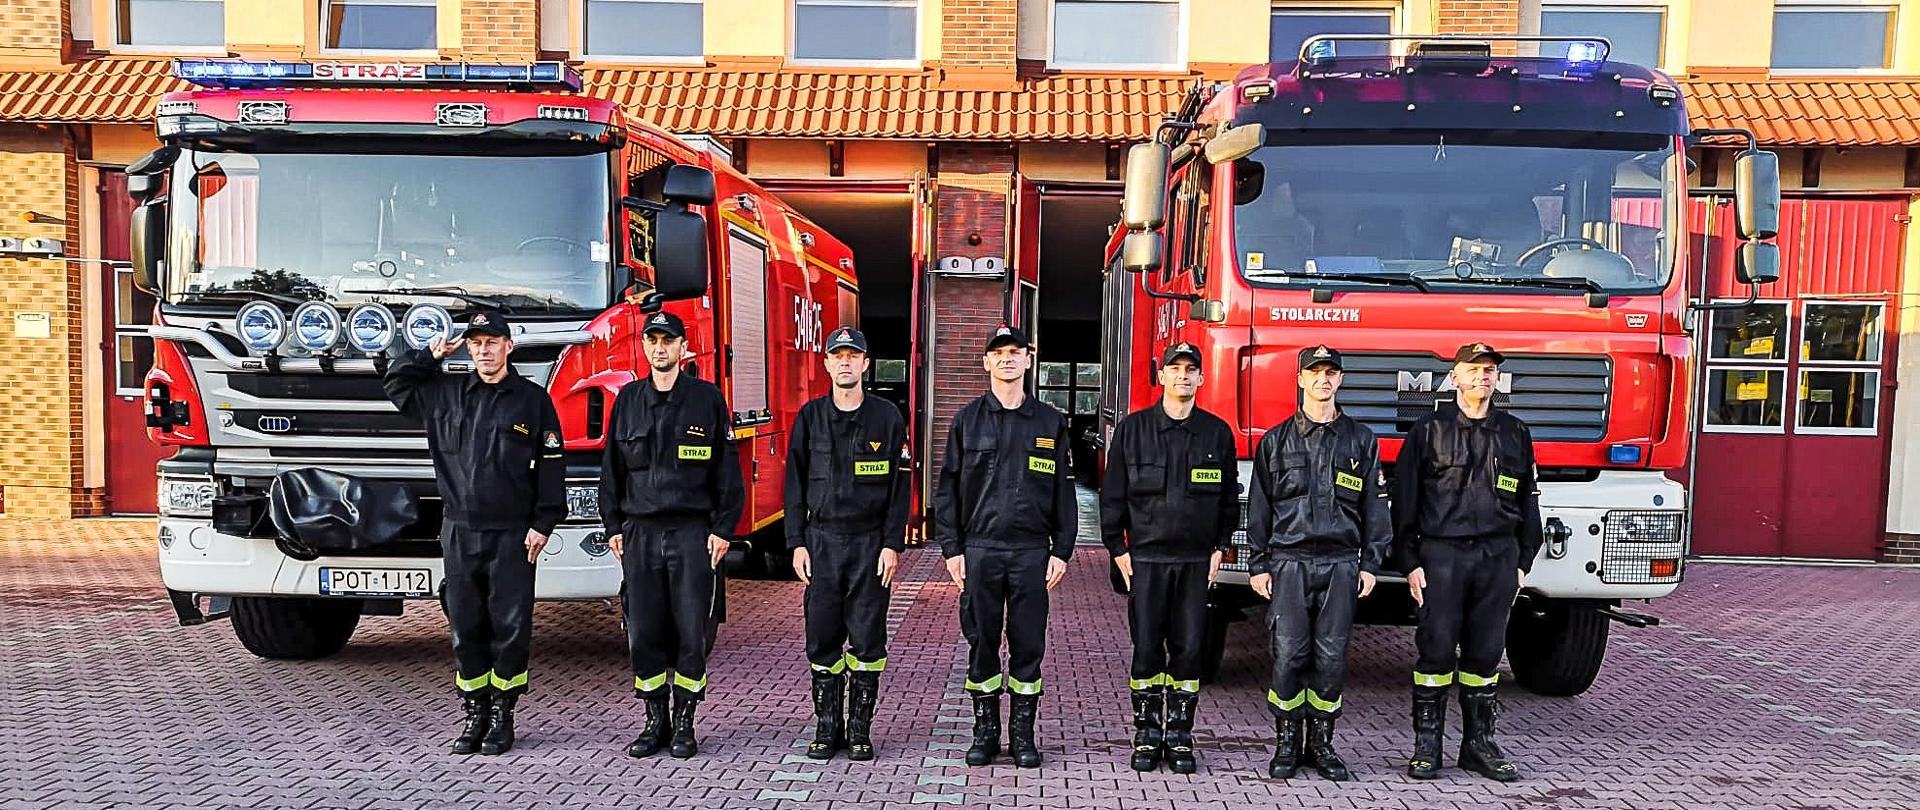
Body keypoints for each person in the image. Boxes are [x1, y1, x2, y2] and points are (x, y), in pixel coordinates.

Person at [383, 310, 565, 756]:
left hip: (512, 535)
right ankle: (474, 713)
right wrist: (429, 354)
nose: (484, 350)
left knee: (510, 626)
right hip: (460, 532)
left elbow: (552, 466)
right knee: (466, 627)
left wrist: (543, 523)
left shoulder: (532, 401)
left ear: (509, 346)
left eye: (492, 341)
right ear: (466, 347)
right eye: (476, 342)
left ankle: (504, 714)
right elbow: (396, 383)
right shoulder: (444, 394)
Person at [1393, 342, 1541, 782]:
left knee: (1485, 653)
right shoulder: (1428, 430)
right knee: (1436, 649)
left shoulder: (1515, 433)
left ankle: (1479, 745)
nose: (1483, 376)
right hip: (1443, 554)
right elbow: (1405, 501)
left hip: (1497, 557)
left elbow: (1529, 499)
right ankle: (1427, 746)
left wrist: (1522, 560)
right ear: (1453, 377)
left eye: (1490, 370)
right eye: (1473, 369)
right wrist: (1409, 562)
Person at [600, 310, 745, 759]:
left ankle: (685, 723)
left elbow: (727, 471)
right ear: (643, 347)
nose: (660, 348)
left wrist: (723, 529)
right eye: (652, 341)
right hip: (640, 533)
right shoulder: (627, 401)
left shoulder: (706, 400)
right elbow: (612, 470)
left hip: (691, 533)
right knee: (643, 630)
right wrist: (612, 526)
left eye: (668, 340)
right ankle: (654, 721)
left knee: (690, 630)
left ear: (684, 347)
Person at [1246, 345, 1391, 781]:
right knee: (1288, 654)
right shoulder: (1276, 441)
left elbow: (1375, 507)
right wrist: (1258, 564)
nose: (1323, 380)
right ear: (1300, 379)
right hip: (1289, 561)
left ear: (1340, 381)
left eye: (1331, 373)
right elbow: (1259, 509)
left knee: (1331, 657)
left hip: (1342, 563)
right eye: (1315, 373)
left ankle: (1322, 744)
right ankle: (1287, 743)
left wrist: (1372, 562)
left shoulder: (1361, 441)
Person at [934, 325, 1076, 769]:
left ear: (1028, 361)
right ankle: (985, 732)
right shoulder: (967, 420)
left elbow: (1063, 492)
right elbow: (947, 491)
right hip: (980, 550)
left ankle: (1022, 734)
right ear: (987, 363)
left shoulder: (1050, 422)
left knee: (1028, 642)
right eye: (999, 353)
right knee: (982, 641)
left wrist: (1062, 550)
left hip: (1031, 551)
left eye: (1016, 352)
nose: (1008, 359)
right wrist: (952, 549)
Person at [1099, 342, 1238, 774]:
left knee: (1189, 648)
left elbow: (1229, 500)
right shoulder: (1133, 430)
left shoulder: (1217, 434)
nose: (1182, 376)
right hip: (1147, 560)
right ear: (1161, 377)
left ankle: (1179, 736)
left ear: (1201, 378)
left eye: (1190, 370)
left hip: (1196, 561)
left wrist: (1219, 548)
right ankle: (1146, 733)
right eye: (1174, 369)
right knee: (1145, 649)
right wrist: (1118, 550)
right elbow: (1113, 496)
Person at [784, 326, 912, 762]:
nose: (844, 363)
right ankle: (827, 727)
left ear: (865, 364)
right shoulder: (809, 417)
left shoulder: (887, 418)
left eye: (852, 356)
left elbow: (900, 488)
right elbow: (794, 483)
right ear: (826, 364)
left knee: (868, 639)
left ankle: (859, 730)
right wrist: (796, 542)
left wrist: (893, 544)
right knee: (822, 637)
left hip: (869, 544)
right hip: (820, 541)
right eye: (837, 356)